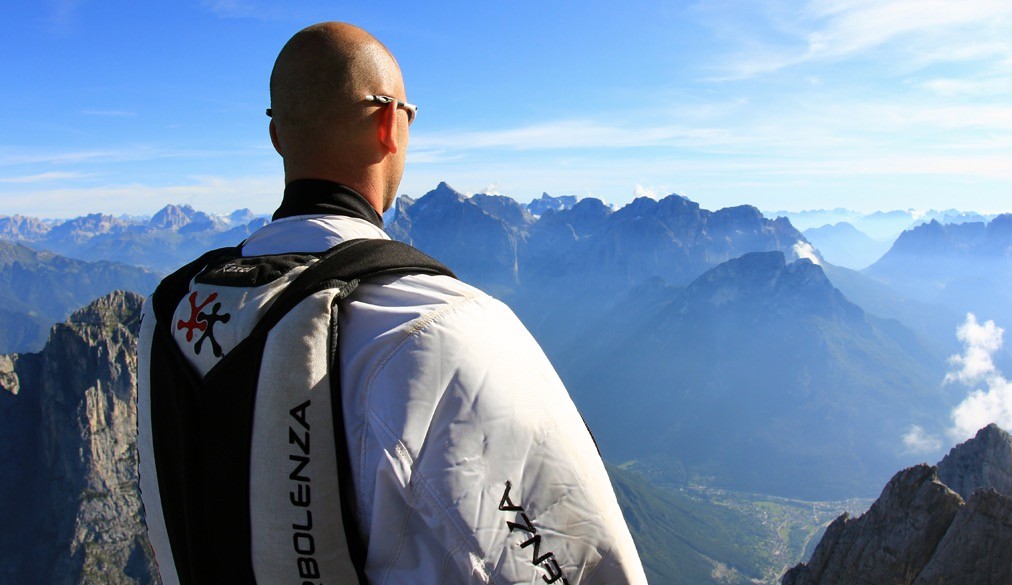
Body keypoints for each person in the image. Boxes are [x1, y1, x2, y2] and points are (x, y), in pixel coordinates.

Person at [137, 21, 647, 584]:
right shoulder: (439, 327)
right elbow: (586, 562)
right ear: (389, 125)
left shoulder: (167, 316)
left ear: (277, 136)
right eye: (410, 114)